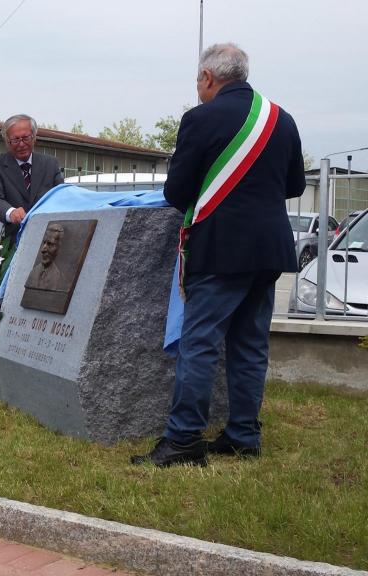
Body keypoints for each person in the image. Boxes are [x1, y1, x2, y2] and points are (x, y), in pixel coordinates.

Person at [132, 44, 305, 467]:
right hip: (269, 250)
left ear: (208, 78)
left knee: (201, 345)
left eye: (198, 81)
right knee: (250, 346)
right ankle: (243, 435)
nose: (198, 88)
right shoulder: (282, 119)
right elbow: (296, 186)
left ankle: (184, 440)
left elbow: (176, 192)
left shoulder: (200, 118)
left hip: (221, 250)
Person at [0, 115, 65, 240]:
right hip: (11, 241)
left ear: (34, 137)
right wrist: (11, 212)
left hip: (47, 239)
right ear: (7, 142)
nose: (21, 144)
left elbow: (62, 197)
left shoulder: (50, 164)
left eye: (26, 138)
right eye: (15, 140)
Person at [26, 223, 66, 291]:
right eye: (44, 243)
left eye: (50, 244)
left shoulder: (59, 279)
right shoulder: (33, 273)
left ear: (59, 248)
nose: (43, 250)